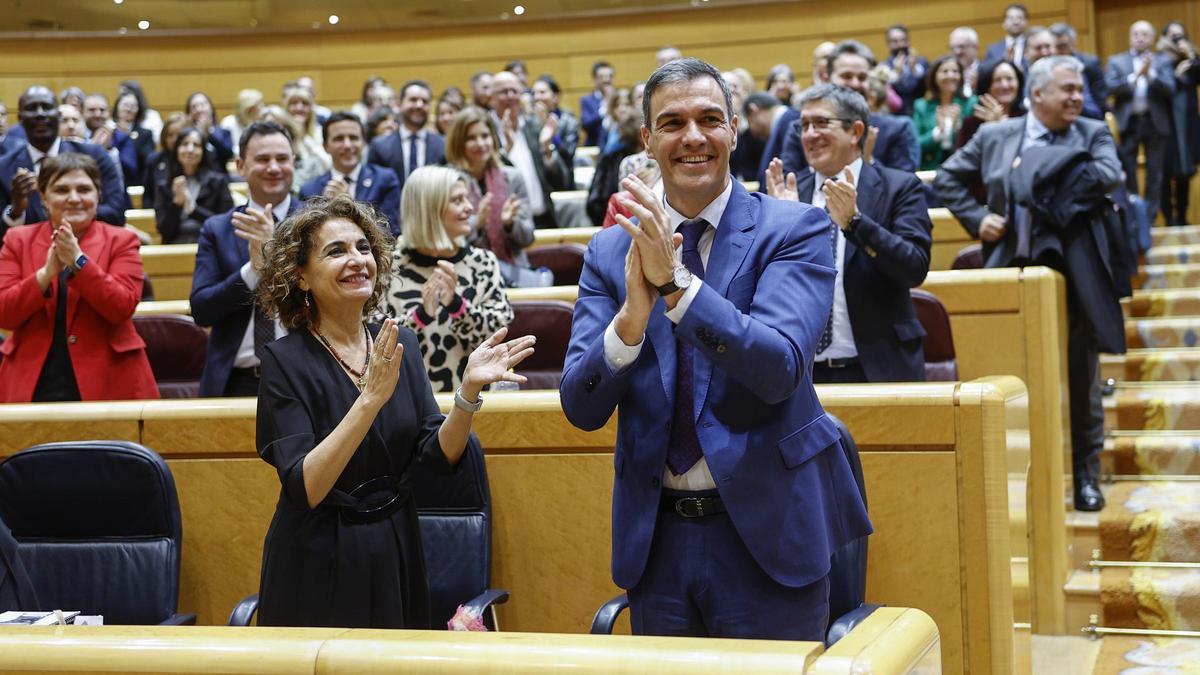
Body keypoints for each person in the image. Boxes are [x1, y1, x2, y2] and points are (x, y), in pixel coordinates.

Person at [559, 57, 871, 640]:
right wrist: (632, 316)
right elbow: (581, 405)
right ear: (647, 140)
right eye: (672, 123)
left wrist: (676, 285)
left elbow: (778, 369)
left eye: (709, 119)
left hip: (768, 532)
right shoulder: (607, 253)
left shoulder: (796, 228)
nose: (693, 137)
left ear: (733, 128)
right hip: (657, 543)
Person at [253, 192, 533, 629]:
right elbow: (306, 486)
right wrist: (369, 401)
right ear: (302, 276)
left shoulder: (401, 342)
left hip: (394, 545)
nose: (357, 260)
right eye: (336, 251)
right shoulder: (283, 362)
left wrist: (468, 393)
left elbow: (437, 457)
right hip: (316, 557)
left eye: (364, 247)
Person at [934, 55, 1125, 512]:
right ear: (1036, 94)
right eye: (1068, 89)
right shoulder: (998, 134)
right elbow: (947, 178)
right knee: (1010, 373)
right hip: (1009, 266)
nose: (1078, 97)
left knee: (1082, 376)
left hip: (1076, 272)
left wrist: (1036, 165)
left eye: (1080, 89)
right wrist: (980, 219)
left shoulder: (1092, 131)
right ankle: (1016, 477)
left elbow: (1108, 175)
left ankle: (1084, 475)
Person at [765, 84, 932, 384]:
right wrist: (781, 227)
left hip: (878, 370)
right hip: (802, 377)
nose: (809, 135)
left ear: (855, 131)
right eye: (803, 125)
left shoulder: (899, 187)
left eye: (821, 123)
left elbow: (914, 268)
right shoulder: (788, 194)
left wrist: (855, 224)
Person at [0, 152, 157, 402]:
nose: (74, 199)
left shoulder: (122, 240)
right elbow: (4, 314)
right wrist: (46, 274)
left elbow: (121, 307)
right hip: (32, 381)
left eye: (84, 189)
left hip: (111, 381)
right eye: (61, 190)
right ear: (43, 197)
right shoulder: (17, 240)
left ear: (98, 195)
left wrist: (79, 261)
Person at [190, 121, 303, 397]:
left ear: (294, 163)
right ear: (240, 166)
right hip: (235, 381)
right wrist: (253, 270)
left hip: (305, 378)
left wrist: (273, 253)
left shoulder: (319, 224)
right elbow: (202, 310)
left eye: (282, 159)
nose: (274, 168)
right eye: (263, 159)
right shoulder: (218, 229)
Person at [384, 167, 515, 392]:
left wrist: (457, 306)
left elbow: (498, 332)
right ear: (429, 209)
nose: (470, 208)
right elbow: (373, 344)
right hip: (406, 400)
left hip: (475, 400)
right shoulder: (388, 267)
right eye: (457, 200)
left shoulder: (483, 262)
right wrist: (421, 315)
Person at [0, 85, 127, 244]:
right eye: (32, 108)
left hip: (90, 252)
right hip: (27, 260)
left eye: (47, 107)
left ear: (58, 115)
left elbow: (116, 214)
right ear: (20, 118)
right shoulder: (4, 168)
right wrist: (16, 210)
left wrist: (68, 212)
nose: (40, 114)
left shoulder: (94, 156)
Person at [781, 40, 919, 175]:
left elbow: (905, 188)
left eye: (862, 77)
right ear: (826, 78)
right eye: (846, 76)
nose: (855, 84)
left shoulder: (897, 129)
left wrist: (867, 163)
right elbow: (787, 183)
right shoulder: (802, 130)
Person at [444, 107, 543, 287]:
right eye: (471, 138)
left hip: (513, 274)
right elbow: (442, 239)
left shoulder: (513, 178)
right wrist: (477, 224)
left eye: (485, 136)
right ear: (459, 143)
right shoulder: (446, 182)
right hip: (464, 277)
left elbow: (528, 237)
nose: (481, 143)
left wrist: (510, 224)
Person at [1107, 20, 1177, 225]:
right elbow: (1110, 88)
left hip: (1155, 122)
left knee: (1155, 173)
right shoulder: (1117, 61)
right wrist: (1135, 77)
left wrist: (1151, 75)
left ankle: (1150, 218)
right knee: (1128, 171)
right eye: (1136, 33)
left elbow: (1171, 89)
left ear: (1152, 39)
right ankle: (1134, 217)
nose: (1140, 37)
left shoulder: (1162, 61)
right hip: (1128, 123)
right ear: (1130, 37)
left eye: (1145, 34)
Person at [490, 71, 571, 228]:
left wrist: (547, 148)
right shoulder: (485, 132)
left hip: (542, 220)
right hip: (506, 226)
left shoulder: (534, 127)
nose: (511, 96)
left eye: (515, 91)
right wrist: (506, 150)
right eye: (504, 92)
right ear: (492, 98)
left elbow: (561, 182)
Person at [300, 112, 401, 235]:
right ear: (326, 146)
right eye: (339, 139)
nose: (347, 145)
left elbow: (390, 232)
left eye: (353, 138)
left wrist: (349, 205)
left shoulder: (385, 180)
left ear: (364, 143)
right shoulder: (309, 190)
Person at [367, 80, 445, 205]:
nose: (419, 105)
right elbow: (374, 192)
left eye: (424, 101)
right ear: (399, 104)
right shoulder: (379, 146)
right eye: (413, 100)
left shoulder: (443, 145)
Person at [153, 126, 234, 244]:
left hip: (211, 245)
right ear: (177, 150)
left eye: (196, 145)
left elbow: (226, 224)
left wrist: (193, 210)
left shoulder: (218, 182)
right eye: (185, 144)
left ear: (203, 152)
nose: (190, 149)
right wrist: (176, 204)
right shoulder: (163, 186)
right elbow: (164, 231)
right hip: (175, 250)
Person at [1160, 22, 1200, 226]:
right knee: (1166, 171)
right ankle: (1169, 219)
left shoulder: (1192, 59)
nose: (1177, 41)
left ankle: (1182, 217)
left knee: (1185, 171)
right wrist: (1175, 75)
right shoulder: (1160, 59)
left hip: (1186, 124)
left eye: (1180, 36)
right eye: (1172, 36)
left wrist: (1191, 56)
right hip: (1165, 124)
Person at [913, 55, 976, 170]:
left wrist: (958, 128)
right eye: (944, 71)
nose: (950, 75)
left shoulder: (970, 103)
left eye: (955, 71)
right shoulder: (921, 105)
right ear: (934, 77)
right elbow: (915, 144)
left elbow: (975, 143)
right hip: (930, 168)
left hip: (962, 167)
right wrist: (937, 132)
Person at [958, 59, 1026, 148]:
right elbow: (964, 159)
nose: (1005, 85)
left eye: (1009, 79)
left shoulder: (1027, 117)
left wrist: (1002, 126)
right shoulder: (971, 123)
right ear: (986, 86)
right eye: (997, 80)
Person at [742, 91, 800, 189]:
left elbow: (791, 170)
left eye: (749, 122)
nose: (752, 133)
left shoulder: (791, 121)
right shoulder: (783, 123)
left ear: (754, 110)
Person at [82, 93, 139, 191]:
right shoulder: (76, 138)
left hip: (115, 196)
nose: (97, 114)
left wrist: (109, 150)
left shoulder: (122, 137)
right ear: (82, 112)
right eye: (92, 110)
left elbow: (131, 172)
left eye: (102, 110)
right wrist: (94, 148)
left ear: (109, 113)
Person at [1051, 22, 1108, 118]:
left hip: (1090, 115)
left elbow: (1100, 98)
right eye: (1055, 46)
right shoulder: (1048, 66)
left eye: (1063, 46)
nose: (1058, 51)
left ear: (1073, 44)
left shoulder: (1090, 63)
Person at [141, 112, 187, 212]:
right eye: (170, 135)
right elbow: (147, 198)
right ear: (164, 137)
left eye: (178, 135)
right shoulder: (154, 160)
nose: (174, 140)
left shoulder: (192, 159)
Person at [531, 75, 580, 168]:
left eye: (542, 92)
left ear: (555, 96)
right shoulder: (529, 122)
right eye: (534, 93)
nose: (537, 97)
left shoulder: (569, 121)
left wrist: (550, 131)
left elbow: (568, 154)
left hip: (562, 176)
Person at [112, 89, 156, 186]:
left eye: (133, 106)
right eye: (125, 105)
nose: (129, 109)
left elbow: (148, 161)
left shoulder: (145, 134)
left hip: (138, 185)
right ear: (117, 108)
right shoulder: (109, 134)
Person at [885, 25, 929, 115]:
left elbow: (928, 85)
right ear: (889, 45)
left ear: (908, 42)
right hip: (895, 115)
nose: (900, 45)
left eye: (903, 40)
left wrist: (914, 68)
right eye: (895, 41)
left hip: (920, 113)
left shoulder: (922, 63)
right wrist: (897, 73)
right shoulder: (884, 67)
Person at [185, 92, 235, 165]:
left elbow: (228, 155)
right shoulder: (184, 135)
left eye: (202, 104)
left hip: (219, 174)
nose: (199, 109)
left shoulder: (224, 132)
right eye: (194, 107)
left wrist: (209, 133)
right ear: (189, 114)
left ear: (211, 108)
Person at [985, 3, 1030, 70]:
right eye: (1011, 18)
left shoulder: (1032, 46)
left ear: (1026, 22)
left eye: (1020, 18)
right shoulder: (993, 50)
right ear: (1003, 24)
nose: (1016, 22)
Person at [581, 61, 615, 147]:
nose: (606, 80)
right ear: (595, 79)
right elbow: (586, 124)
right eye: (602, 76)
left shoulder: (619, 98)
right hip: (594, 144)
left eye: (610, 76)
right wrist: (605, 108)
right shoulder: (587, 100)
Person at [950, 27, 982, 96]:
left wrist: (979, 85)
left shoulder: (986, 71)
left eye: (961, 47)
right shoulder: (949, 75)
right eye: (953, 48)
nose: (957, 52)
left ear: (975, 47)